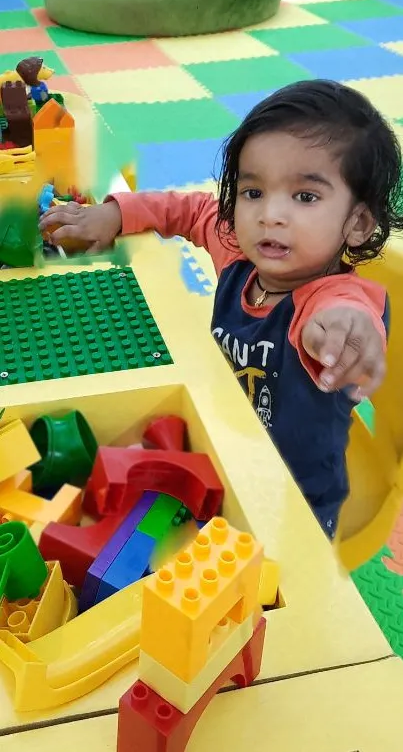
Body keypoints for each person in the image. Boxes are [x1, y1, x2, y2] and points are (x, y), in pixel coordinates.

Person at [40, 79, 403, 539]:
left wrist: (345, 329)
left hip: (296, 498)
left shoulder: (330, 301)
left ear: (357, 224)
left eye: (305, 197)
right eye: (253, 192)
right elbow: (192, 211)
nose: (270, 214)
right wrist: (118, 213)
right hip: (223, 449)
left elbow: (346, 310)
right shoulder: (238, 252)